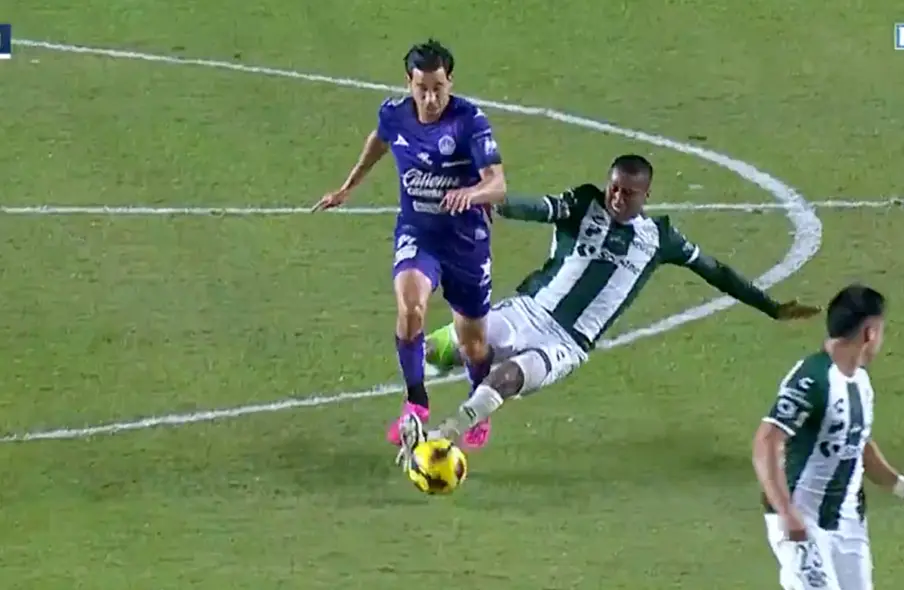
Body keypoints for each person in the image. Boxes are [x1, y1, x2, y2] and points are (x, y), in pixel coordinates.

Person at [395, 153, 820, 457]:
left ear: (646, 195)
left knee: (508, 377)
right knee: (431, 350)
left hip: (569, 341)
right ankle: (421, 410)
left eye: (629, 193)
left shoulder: (661, 239)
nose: (618, 197)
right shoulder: (582, 204)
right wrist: (487, 199)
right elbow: (537, 207)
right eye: (614, 187)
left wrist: (771, 307)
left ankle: (451, 431)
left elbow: (716, 271)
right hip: (525, 309)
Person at [312, 39, 507, 448]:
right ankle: (416, 401)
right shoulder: (394, 115)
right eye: (422, 88)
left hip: (466, 242)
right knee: (411, 306)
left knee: (472, 343)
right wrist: (348, 187)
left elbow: (498, 184)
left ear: (450, 81)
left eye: (439, 87)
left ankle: (479, 405)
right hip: (418, 235)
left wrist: (470, 194)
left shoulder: (470, 122)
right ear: (409, 83)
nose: (431, 97)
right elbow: (379, 141)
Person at [751, 284, 904, 590]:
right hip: (803, 520)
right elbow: (766, 441)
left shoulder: (860, 382)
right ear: (870, 332)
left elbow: (857, 446)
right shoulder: (812, 378)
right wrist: (788, 513)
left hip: (848, 524)